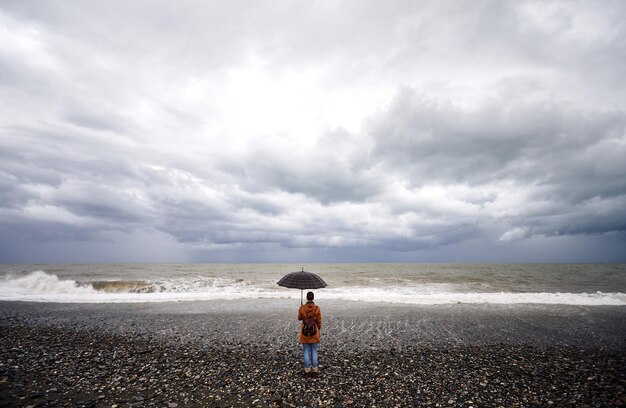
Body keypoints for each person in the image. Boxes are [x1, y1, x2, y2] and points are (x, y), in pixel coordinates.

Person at [298, 291, 322, 374]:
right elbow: (319, 320)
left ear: (307, 298)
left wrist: (300, 309)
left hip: (305, 332)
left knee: (306, 350)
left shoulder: (302, 308)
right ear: (313, 298)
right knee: (314, 350)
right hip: (314, 332)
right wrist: (319, 328)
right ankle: (315, 368)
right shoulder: (317, 308)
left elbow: (299, 318)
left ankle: (307, 369)